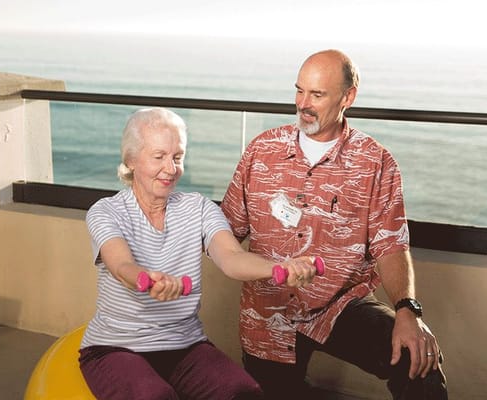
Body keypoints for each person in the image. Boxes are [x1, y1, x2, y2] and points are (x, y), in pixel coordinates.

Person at [220, 49, 449, 399]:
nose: (303, 104)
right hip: (268, 313)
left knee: (420, 365)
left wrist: (407, 310)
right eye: (299, 91)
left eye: (317, 94)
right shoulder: (260, 150)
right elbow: (225, 231)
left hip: (340, 303)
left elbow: (391, 245)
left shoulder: (376, 162)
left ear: (348, 97)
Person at [79, 107, 318, 400]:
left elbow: (231, 257)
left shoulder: (199, 208)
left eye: (177, 157)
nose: (171, 168)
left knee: (245, 392)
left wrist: (279, 268)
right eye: (159, 156)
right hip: (116, 348)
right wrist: (147, 279)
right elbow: (120, 265)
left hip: (185, 345)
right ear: (131, 160)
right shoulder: (106, 211)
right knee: (154, 396)